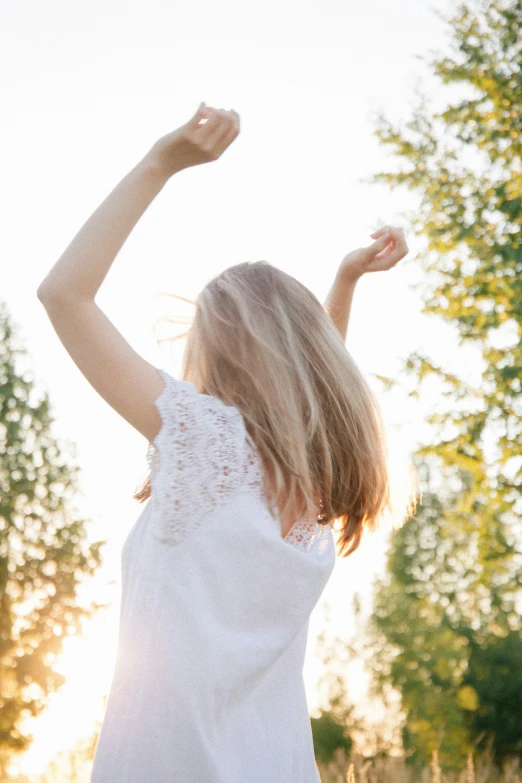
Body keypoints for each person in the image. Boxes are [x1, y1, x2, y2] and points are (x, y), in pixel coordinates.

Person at [37, 103, 412, 782]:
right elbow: (312, 397)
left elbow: (64, 293)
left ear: (217, 350)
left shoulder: (200, 439)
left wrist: (161, 163)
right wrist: (346, 280)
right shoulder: (313, 480)